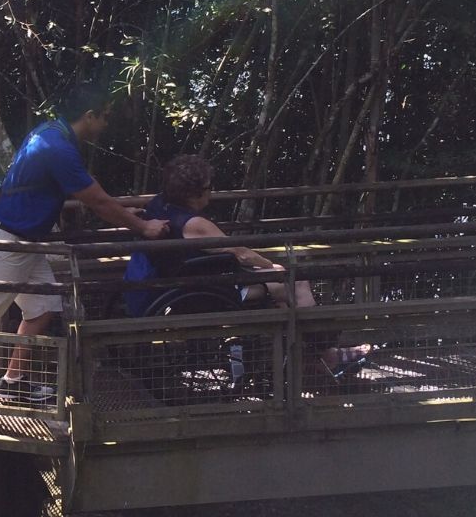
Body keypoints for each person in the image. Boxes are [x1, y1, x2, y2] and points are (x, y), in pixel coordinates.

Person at [0, 83, 170, 415]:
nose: (107, 125)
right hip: (8, 245)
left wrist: (126, 214)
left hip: (25, 243)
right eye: (105, 118)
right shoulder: (58, 148)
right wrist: (142, 226)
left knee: (42, 309)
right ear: (89, 116)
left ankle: (12, 382)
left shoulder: (50, 132)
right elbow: (96, 199)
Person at [126, 154, 369, 376]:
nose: (211, 194)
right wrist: (272, 267)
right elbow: (242, 254)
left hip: (181, 286)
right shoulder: (195, 224)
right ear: (194, 194)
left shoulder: (157, 205)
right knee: (297, 282)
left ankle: (305, 361)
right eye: (208, 189)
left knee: (283, 302)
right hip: (206, 295)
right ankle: (327, 355)